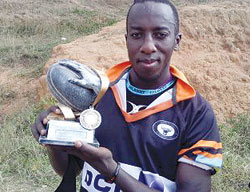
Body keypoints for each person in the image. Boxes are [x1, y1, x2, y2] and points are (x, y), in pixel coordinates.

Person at [31, 0, 223, 191]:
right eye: (137, 35)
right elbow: (70, 169)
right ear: (127, 39)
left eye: (160, 35)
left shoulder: (196, 112)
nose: (148, 46)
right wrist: (53, 139)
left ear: (176, 40)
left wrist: (113, 172)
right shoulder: (98, 93)